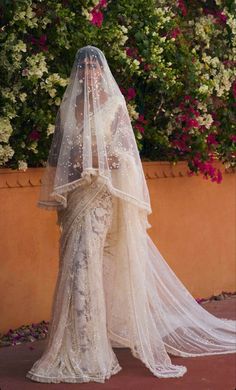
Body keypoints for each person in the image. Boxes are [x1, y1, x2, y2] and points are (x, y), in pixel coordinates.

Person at [26, 45, 236, 384]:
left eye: (95, 67)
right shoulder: (67, 108)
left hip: (100, 196)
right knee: (73, 264)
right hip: (76, 197)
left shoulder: (113, 105)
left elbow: (126, 155)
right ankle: (75, 342)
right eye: (84, 67)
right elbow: (59, 158)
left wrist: (100, 163)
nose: (89, 72)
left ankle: (89, 349)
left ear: (101, 72)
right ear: (78, 73)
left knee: (86, 263)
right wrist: (76, 165)